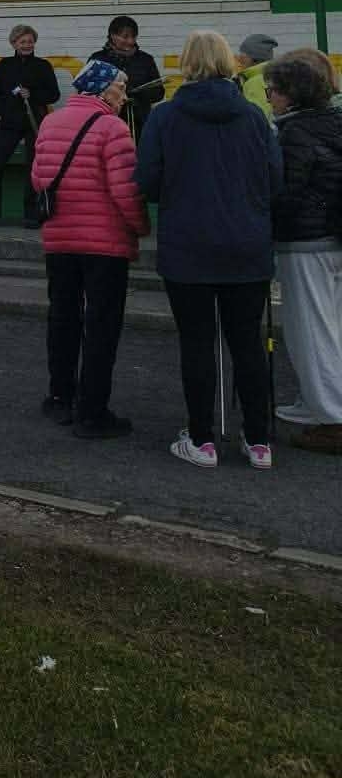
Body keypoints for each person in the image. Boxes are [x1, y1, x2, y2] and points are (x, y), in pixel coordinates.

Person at [137, 30, 281, 470]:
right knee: (248, 342)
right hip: (247, 242)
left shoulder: (164, 116)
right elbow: (275, 179)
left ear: (186, 63)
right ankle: (258, 440)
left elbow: (147, 181)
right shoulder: (254, 116)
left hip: (188, 243)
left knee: (197, 342)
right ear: (228, 62)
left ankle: (201, 439)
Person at [30, 58, 149, 438]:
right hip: (105, 245)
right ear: (101, 88)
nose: (124, 95)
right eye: (120, 87)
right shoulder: (113, 128)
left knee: (62, 317)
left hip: (59, 239)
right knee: (101, 326)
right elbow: (126, 191)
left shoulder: (50, 123)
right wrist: (141, 227)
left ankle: (59, 397)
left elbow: (38, 178)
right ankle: (92, 412)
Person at [264, 52, 342, 455]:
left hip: (305, 241)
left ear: (291, 93)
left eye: (272, 91)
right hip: (335, 238)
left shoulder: (293, 133)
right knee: (334, 328)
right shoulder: (336, 121)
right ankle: (317, 403)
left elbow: (287, 193)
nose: (270, 98)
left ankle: (332, 418)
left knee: (309, 331)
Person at [0, 25, 60, 226]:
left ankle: (32, 215)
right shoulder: (5, 65)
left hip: (34, 123)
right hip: (10, 122)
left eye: (30, 41)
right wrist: (4, 110)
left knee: (33, 168)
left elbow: (54, 94)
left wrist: (33, 95)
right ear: (14, 44)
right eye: (22, 42)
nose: (27, 45)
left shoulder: (43, 66)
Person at [89, 16, 164, 141]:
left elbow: (159, 93)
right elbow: (86, 92)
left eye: (134, 37)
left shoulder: (145, 59)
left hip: (140, 123)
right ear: (112, 35)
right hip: (106, 122)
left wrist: (138, 92)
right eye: (125, 37)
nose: (130, 41)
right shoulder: (98, 59)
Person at [234, 34, 278, 116]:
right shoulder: (270, 77)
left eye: (244, 54)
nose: (240, 58)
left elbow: (257, 116)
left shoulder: (255, 82)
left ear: (255, 57)